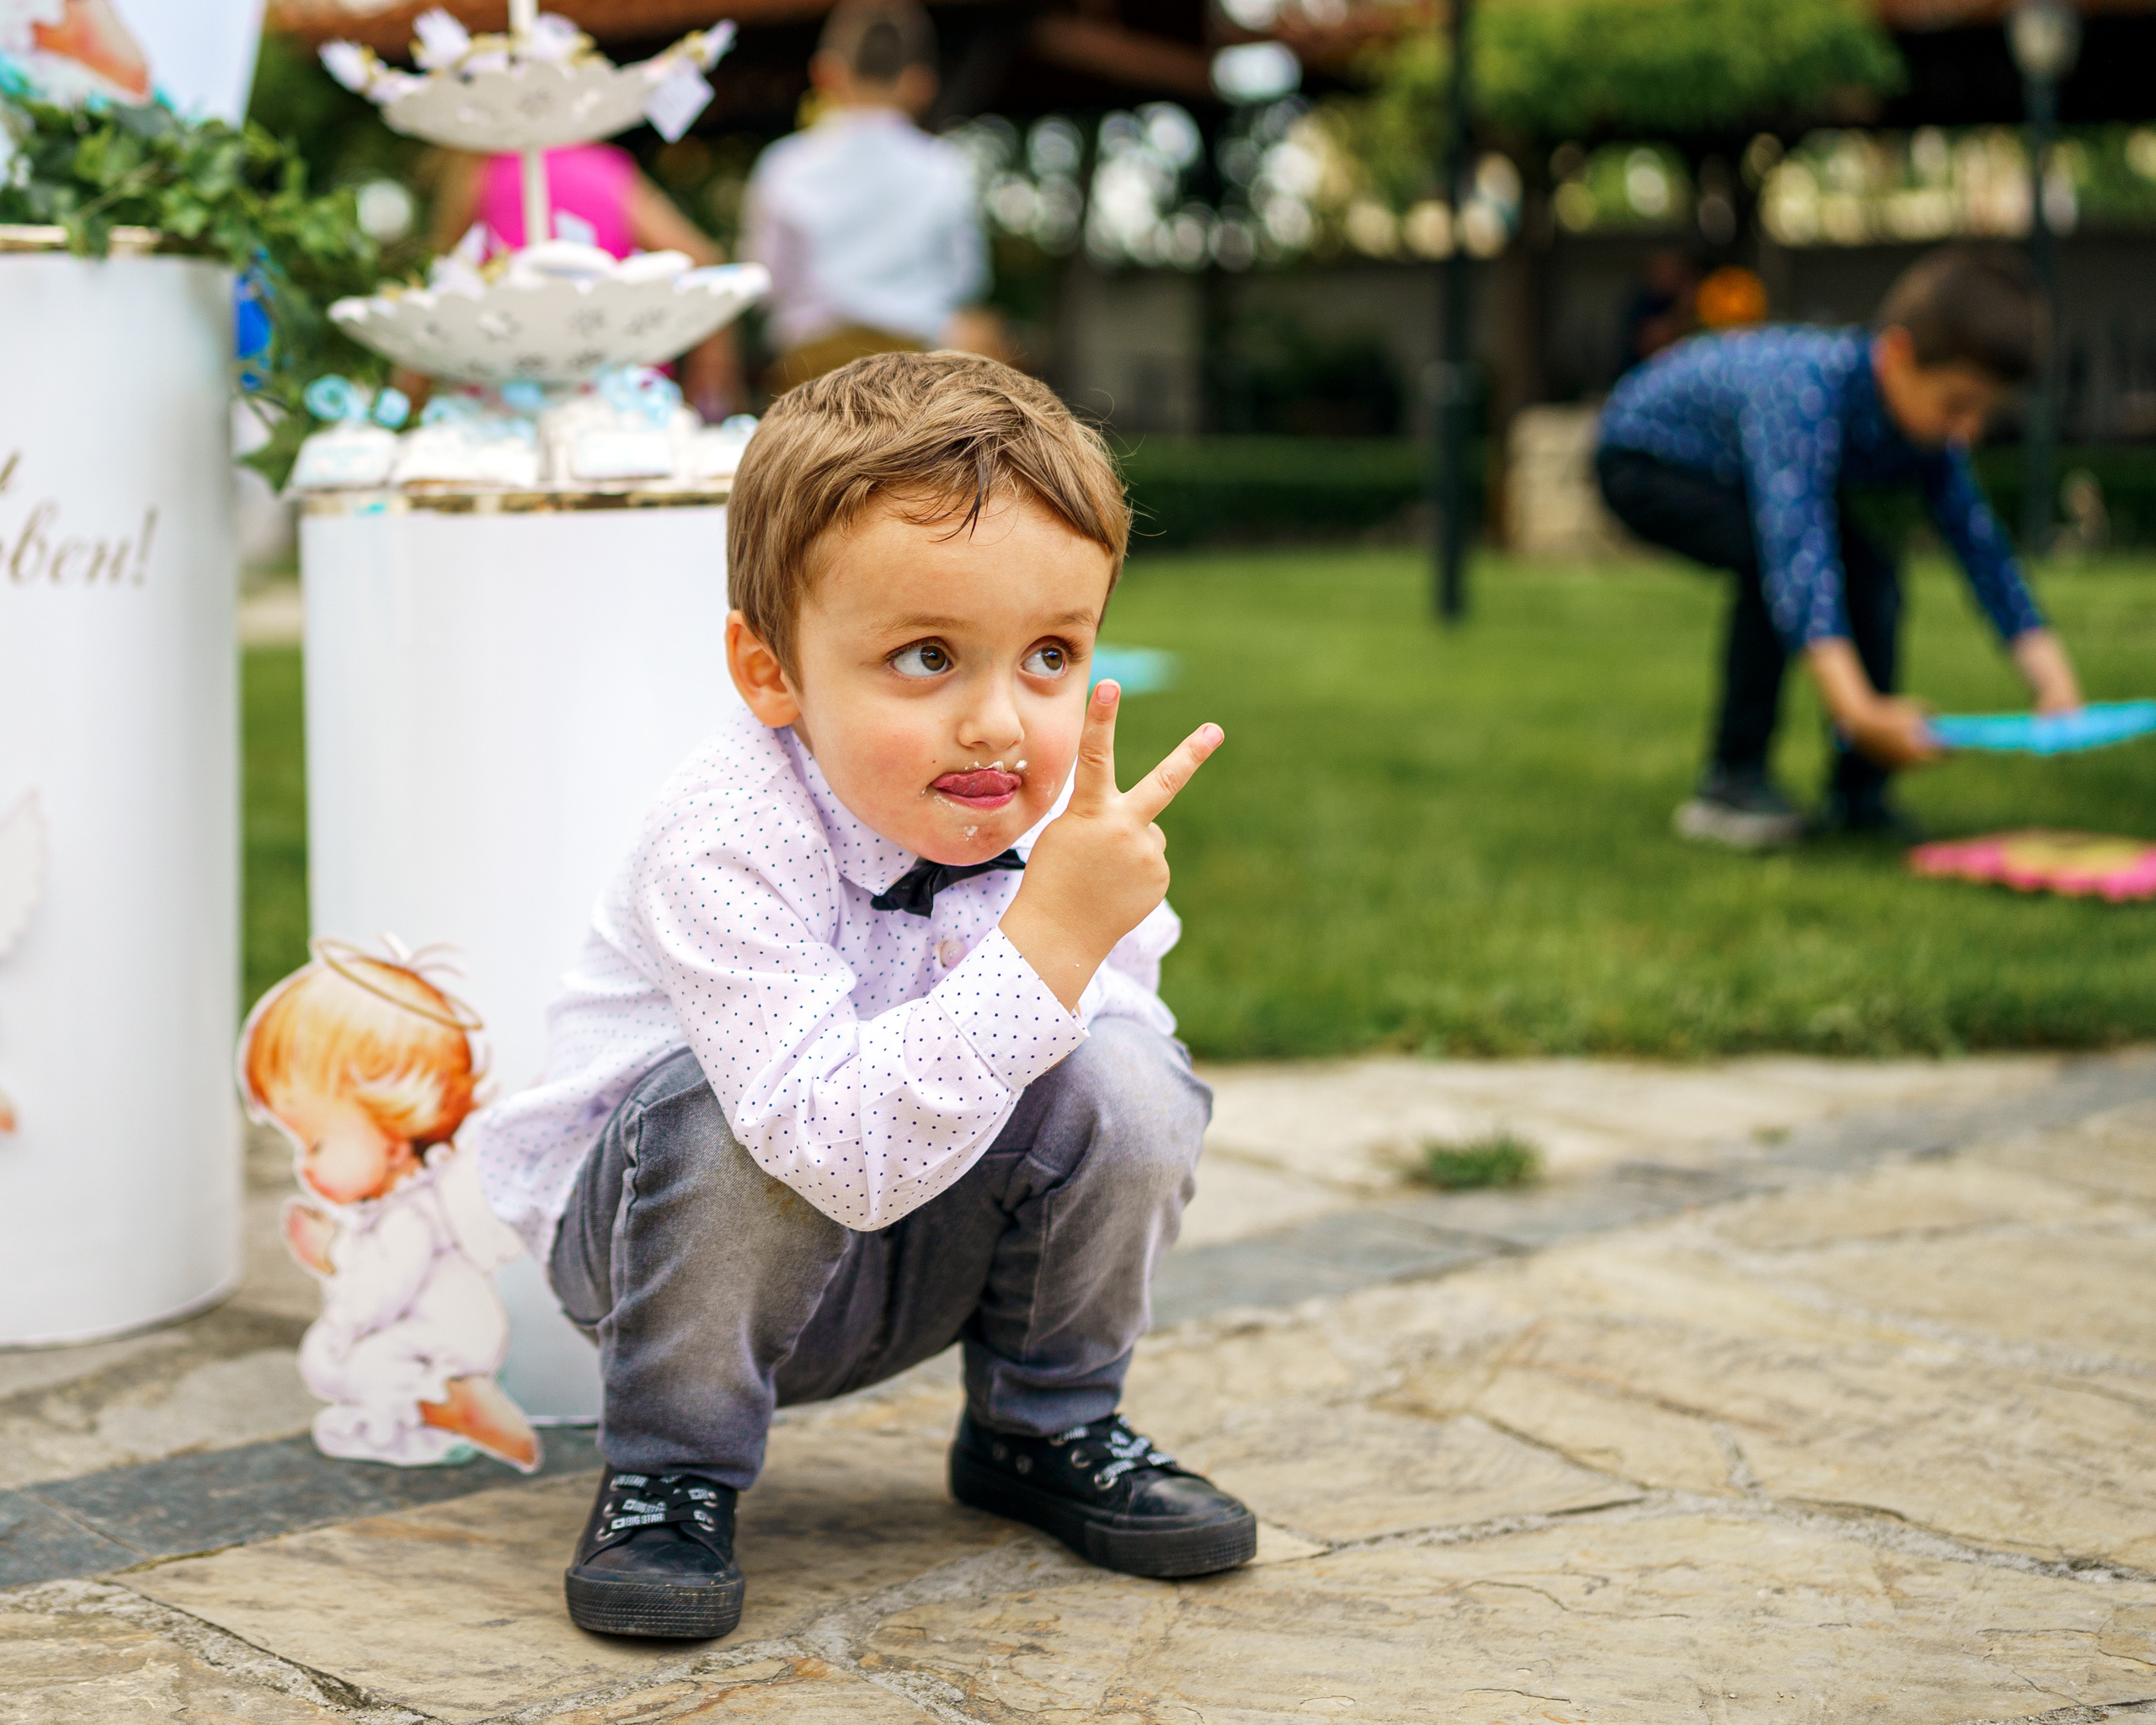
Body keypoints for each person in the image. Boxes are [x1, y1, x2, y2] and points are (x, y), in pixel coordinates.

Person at [462, 351, 1251, 1641]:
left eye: (1051, 655)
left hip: (913, 1250)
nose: (1000, 723)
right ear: (772, 672)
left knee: (1132, 1078)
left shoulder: (1069, 834)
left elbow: (1104, 1133)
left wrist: (1062, 935)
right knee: (723, 1122)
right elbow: (821, 1148)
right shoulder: (722, 838)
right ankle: (672, 1472)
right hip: (680, 1252)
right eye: (928, 656)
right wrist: (1042, 941)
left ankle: (1045, 1427)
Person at [1595, 246, 2085, 848]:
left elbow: (1982, 551)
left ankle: (1859, 795)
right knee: (1772, 562)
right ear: (1898, 356)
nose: (1968, 431)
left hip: (1735, 475)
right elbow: (1798, 555)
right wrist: (1859, 712)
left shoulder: (1928, 437)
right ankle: (1731, 783)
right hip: (1645, 455)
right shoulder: (1806, 391)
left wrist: (2052, 682)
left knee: (1870, 569)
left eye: (1981, 413)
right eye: (1957, 405)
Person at [241, 941, 540, 1474]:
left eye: (316, 1144)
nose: (303, 1167)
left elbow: (383, 1293)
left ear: (395, 1136)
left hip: (446, 1335)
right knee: (328, 1364)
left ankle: (449, 1402)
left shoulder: (413, 1216)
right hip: (424, 1328)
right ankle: (430, 1402)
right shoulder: (389, 1209)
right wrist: (334, 1255)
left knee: (360, 1361)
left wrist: (343, 1325)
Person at [742, 0, 1002, 393]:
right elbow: (965, 280)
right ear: (922, 84)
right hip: (916, 383)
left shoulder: (784, 166)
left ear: (825, 73)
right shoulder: (945, 168)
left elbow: (766, 284)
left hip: (809, 377)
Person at [429, 144, 744, 422]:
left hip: (503, 405)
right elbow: (699, 259)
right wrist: (710, 372)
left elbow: (444, 291)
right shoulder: (608, 171)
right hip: (622, 398)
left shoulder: (477, 176)